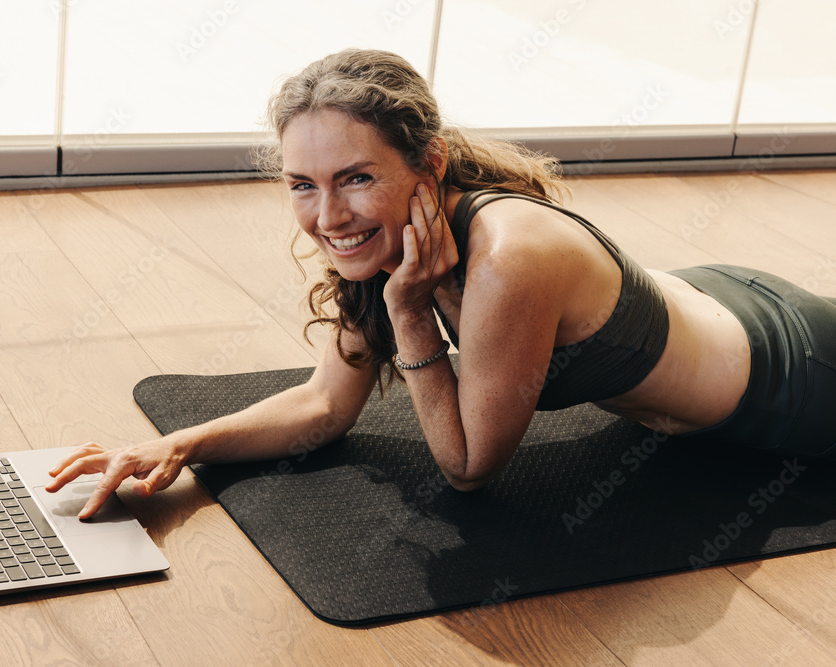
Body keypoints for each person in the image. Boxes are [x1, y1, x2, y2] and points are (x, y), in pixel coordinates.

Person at [48, 48, 836, 519]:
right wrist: (179, 445)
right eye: (301, 184)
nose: (327, 216)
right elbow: (327, 403)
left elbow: (468, 467)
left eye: (355, 177)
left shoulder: (507, 256)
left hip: (797, 379)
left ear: (427, 165)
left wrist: (412, 315)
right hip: (713, 307)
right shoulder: (394, 231)